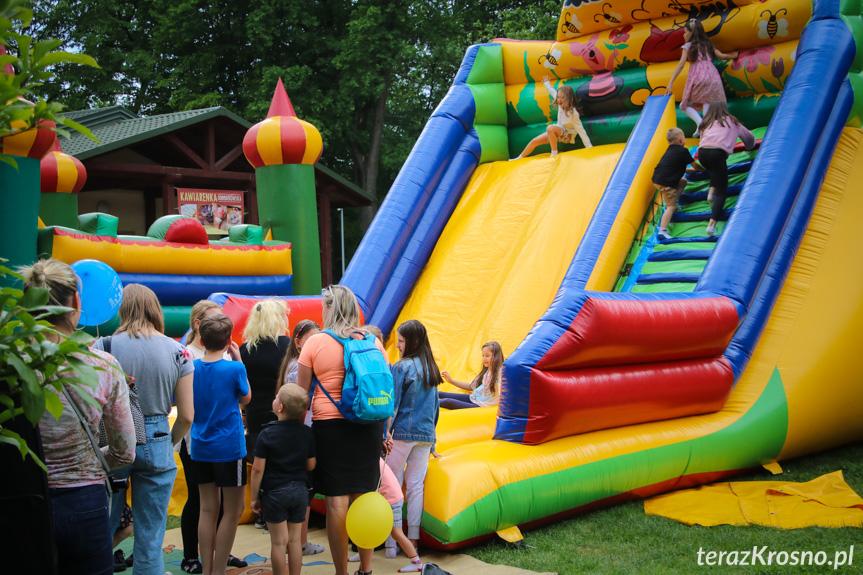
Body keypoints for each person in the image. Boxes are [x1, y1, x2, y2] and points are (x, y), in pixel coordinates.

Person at [21, 259, 136, 575]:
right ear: (75, 302)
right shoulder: (101, 365)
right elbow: (125, 450)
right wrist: (88, 461)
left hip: (22, 502)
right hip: (84, 501)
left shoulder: (11, 363)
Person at [92, 284, 194, 575]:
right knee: (150, 537)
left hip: (111, 440)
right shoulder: (179, 351)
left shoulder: (103, 346)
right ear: (155, 308)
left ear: (123, 309)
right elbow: (187, 414)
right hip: (159, 439)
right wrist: (167, 442)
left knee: (100, 530)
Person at [296, 285, 389, 575]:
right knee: (364, 496)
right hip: (369, 426)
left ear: (329, 308)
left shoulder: (315, 343)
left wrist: (299, 434)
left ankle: (341, 572)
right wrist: (384, 433)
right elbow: (384, 388)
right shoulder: (373, 342)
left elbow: (301, 397)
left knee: (337, 502)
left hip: (330, 426)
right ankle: (367, 568)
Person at [180, 300, 244, 573]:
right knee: (232, 509)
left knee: (207, 508)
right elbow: (246, 398)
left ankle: (207, 568)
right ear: (228, 339)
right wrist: (239, 359)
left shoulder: (191, 366)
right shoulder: (234, 367)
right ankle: (218, 568)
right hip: (228, 446)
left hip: (201, 446)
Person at [384, 320, 441, 554]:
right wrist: (433, 440)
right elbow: (435, 407)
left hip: (403, 433)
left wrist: (385, 432)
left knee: (392, 484)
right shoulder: (431, 367)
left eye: (400, 341)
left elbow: (393, 405)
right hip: (425, 434)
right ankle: (414, 539)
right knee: (416, 487)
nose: (397, 345)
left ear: (413, 342)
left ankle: (390, 542)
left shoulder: (402, 367)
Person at [250, 384, 317, 575]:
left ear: (280, 407)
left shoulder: (267, 434)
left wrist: (255, 498)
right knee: (295, 541)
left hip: (275, 493)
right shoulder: (306, 433)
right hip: (300, 492)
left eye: (277, 396)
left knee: (279, 542)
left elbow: (257, 469)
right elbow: (311, 465)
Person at [274, 319, 324, 556]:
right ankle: (299, 542)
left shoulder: (294, 364)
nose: (317, 344)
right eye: (311, 339)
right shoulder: (298, 367)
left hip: (299, 431)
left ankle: (295, 541)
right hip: (302, 431)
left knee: (302, 489)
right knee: (304, 489)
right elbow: (297, 401)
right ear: (298, 342)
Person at [349, 459, 424, 573]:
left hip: (391, 500)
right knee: (371, 529)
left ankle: (416, 562)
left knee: (396, 532)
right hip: (390, 497)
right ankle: (363, 555)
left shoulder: (370, 461)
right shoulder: (372, 458)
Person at [666, 19, 738, 135]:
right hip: (712, 76)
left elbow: (681, 65)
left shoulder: (687, 46)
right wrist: (734, 55)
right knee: (707, 104)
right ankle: (706, 131)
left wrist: (671, 82)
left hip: (698, 76)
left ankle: (700, 124)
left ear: (691, 32)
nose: (684, 35)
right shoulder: (707, 44)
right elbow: (722, 56)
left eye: (685, 32)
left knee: (684, 105)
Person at [696, 100, 756, 237]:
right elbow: (749, 139)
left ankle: (711, 192)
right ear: (725, 108)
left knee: (715, 168)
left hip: (702, 154)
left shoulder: (705, 123)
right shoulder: (732, 121)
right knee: (722, 192)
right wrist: (749, 147)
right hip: (718, 154)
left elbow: (703, 140)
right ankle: (711, 225)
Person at [241, 299, 291, 461]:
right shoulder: (287, 346)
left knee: (259, 465)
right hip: (282, 415)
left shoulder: (245, 349)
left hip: (254, 416)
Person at [511, 75, 591, 159]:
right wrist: (546, 84)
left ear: (568, 99)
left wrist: (589, 147)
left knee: (550, 128)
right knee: (534, 141)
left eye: (562, 98)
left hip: (568, 135)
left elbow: (581, 130)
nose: (559, 100)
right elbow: (553, 92)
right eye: (558, 97)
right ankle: (519, 158)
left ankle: (554, 153)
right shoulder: (560, 103)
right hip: (557, 132)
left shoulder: (573, 113)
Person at [651, 127, 704, 240]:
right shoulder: (683, 151)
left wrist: (694, 171)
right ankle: (662, 231)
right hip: (665, 182)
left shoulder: (669, 150)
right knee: (671, 207)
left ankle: (675, 201)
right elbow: (695, 165)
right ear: (681, 139)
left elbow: (678, 168)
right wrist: (703, 169)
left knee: (683, 181)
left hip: (658, 178)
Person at [439, 341, 504, 409]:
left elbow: (506, 391)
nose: (484, 359)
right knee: (440, 394)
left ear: (496, 356)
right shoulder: (487, 372)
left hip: (480, 405)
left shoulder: (500, 373)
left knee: (447, 402)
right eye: (483, 355)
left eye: (487, 356)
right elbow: (471, 386)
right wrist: (451, 381)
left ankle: (427, 405)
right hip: (474, 398)